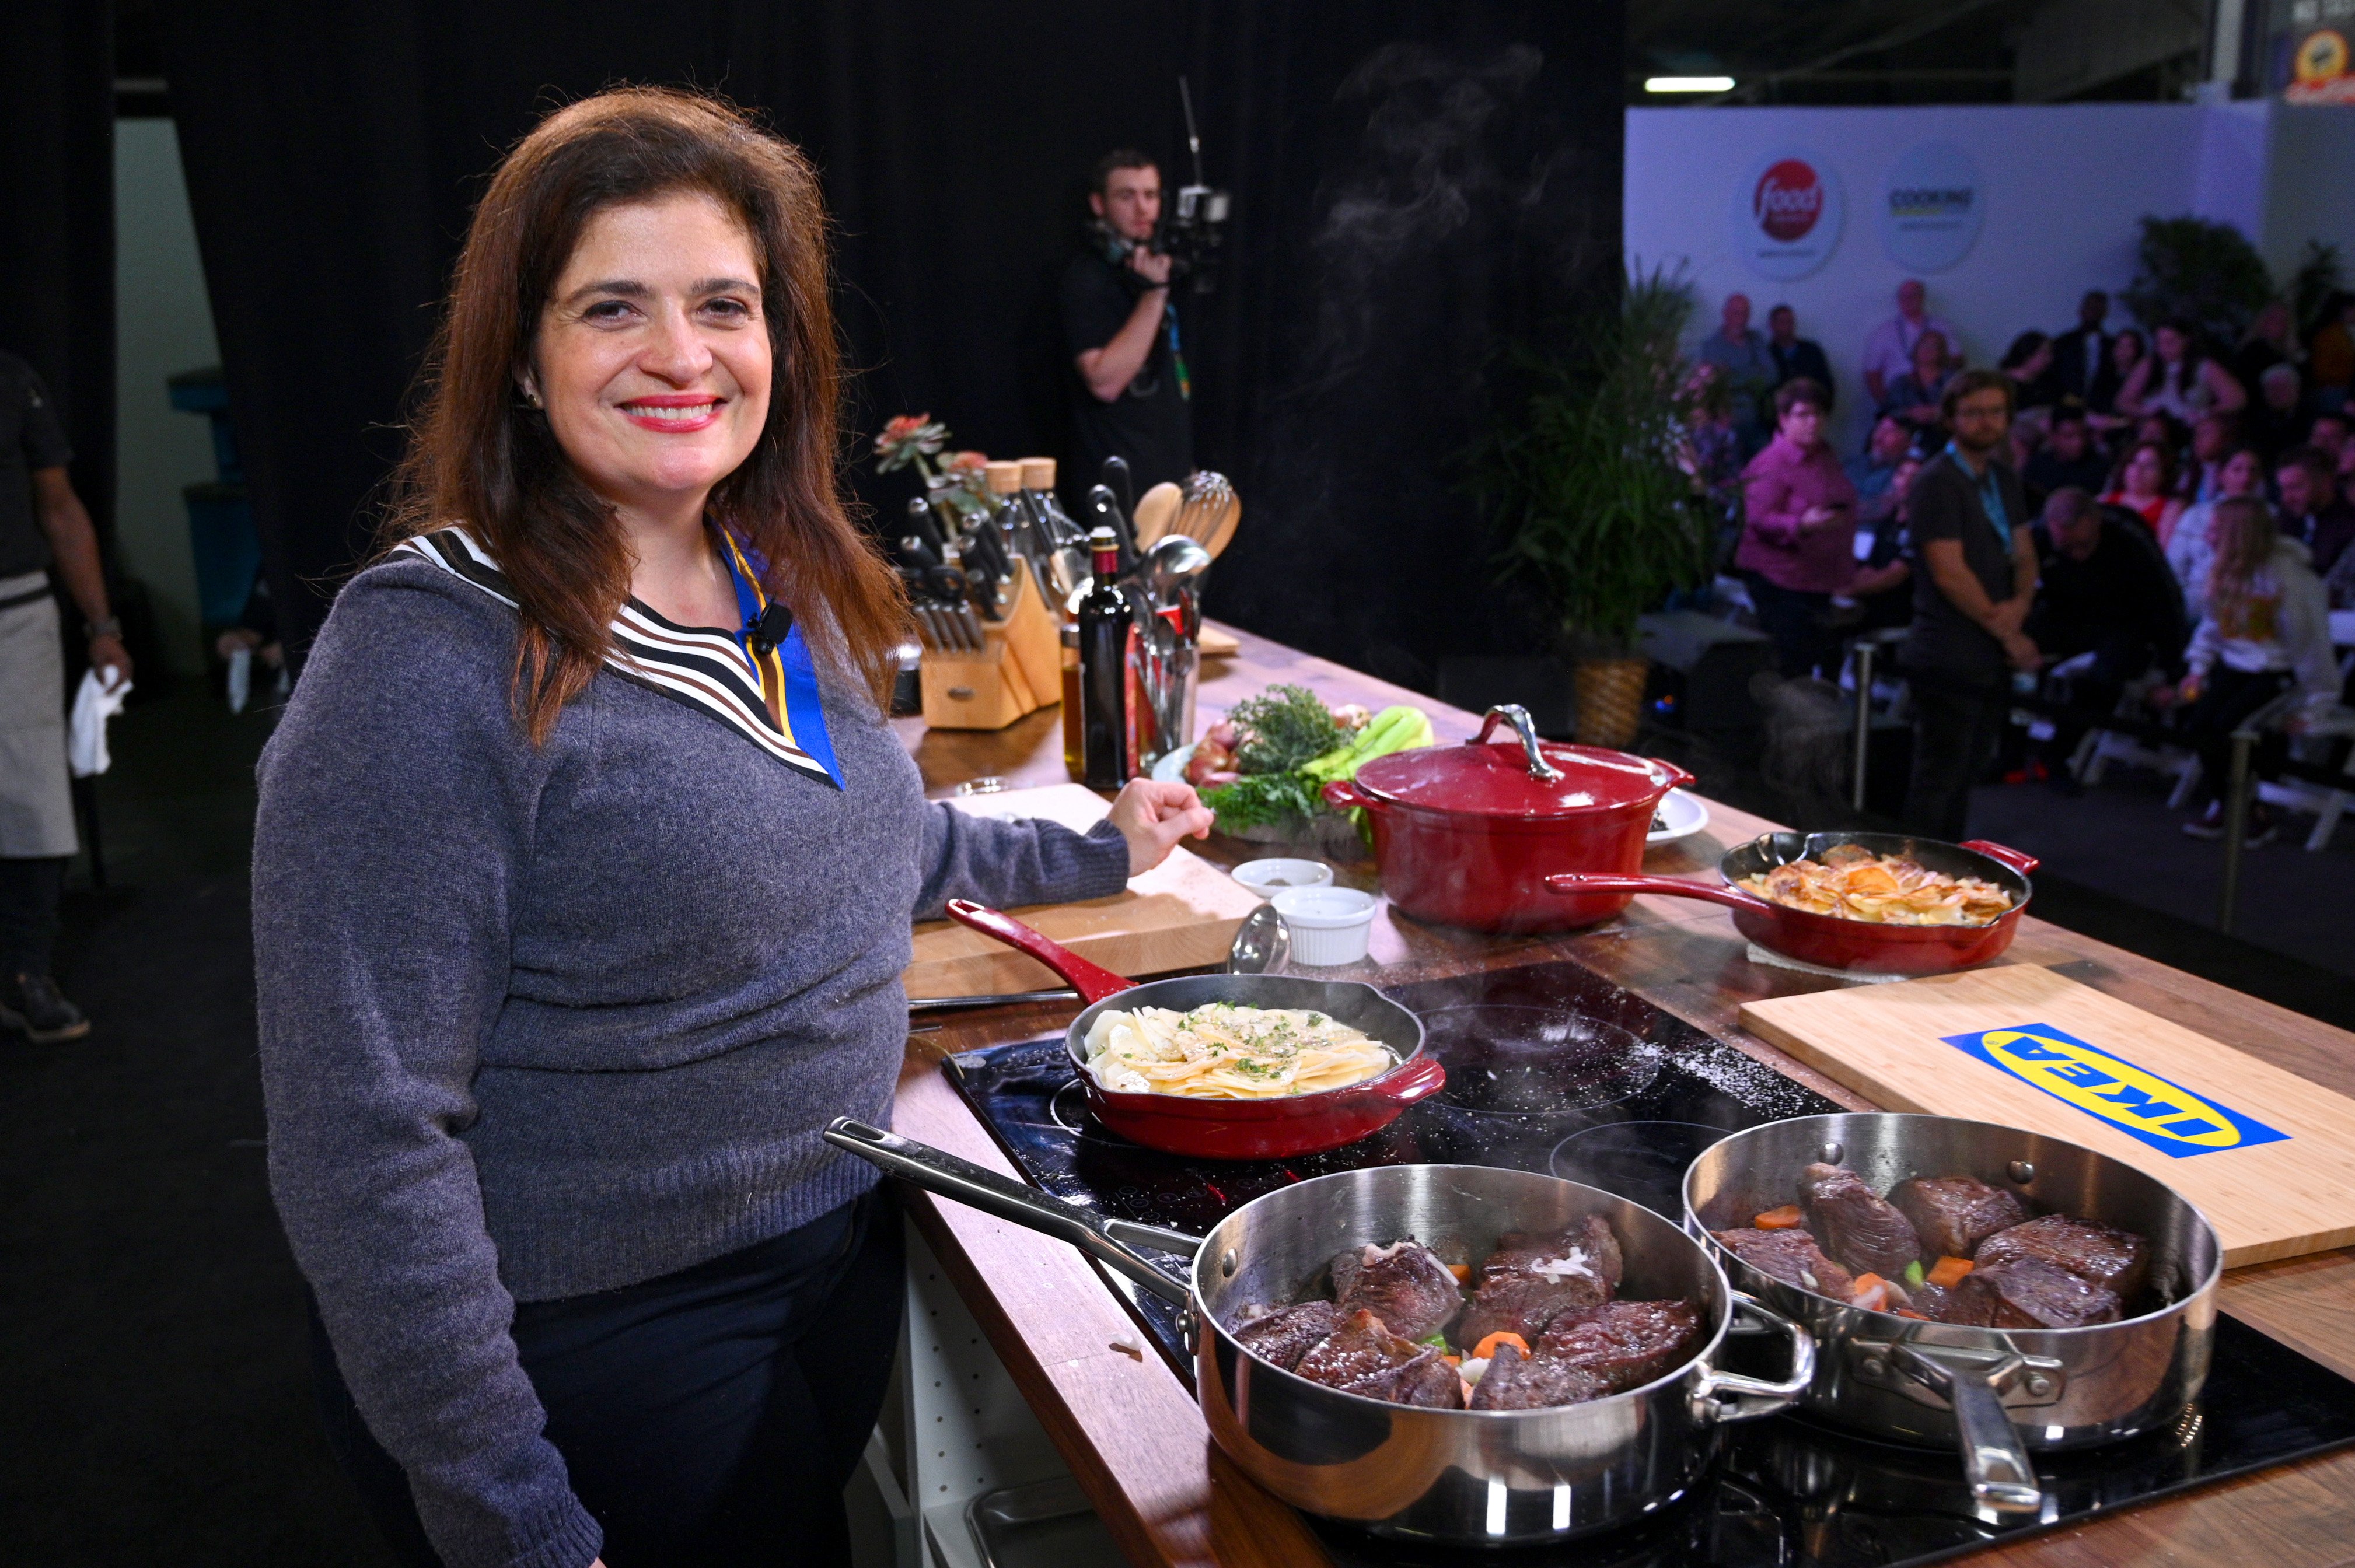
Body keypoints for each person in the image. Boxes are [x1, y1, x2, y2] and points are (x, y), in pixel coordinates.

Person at [251, 90, 1219, 1568]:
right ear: (518, 354)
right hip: (596, 1335)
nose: (682, 353)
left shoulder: (776, 585)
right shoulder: (427, 658)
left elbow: (851, 849)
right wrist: (503, 1513)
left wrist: (1100, 847)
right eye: (610, 308)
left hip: (829, 1246)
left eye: (723, 304)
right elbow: (362, 1139)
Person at [1, 350, 130, 1044]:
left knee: (31, 794)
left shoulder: (14, 379)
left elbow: (58, 506)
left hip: (15, 608)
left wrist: (102, 627)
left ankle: (27, 972)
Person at [1901, 370, 2040, 842]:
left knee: (1969, 774)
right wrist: (2011, 633)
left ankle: (1948, 878)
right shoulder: (1936, 481)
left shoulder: (2003, 478)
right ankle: (1911, 878)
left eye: (1996, 412)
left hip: (1990, 650)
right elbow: (1950, 573)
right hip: (1948, 649)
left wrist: (2020, 605)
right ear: (1951, 418)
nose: (1986, 422)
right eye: (1974, 412)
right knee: (1937, 777)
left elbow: (2024, 552)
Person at [2170, 496, 2339, 844]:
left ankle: (2253, 812)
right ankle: (2230, 804)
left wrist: (2315, 705)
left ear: (2238, 534)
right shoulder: (2224, 568)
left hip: (2275, 671)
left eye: (2216, 530)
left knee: (2230, 726)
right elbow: (2213, 626)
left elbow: (2311, 646)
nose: (2208, 537)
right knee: (2201, 725)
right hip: (2234, 667)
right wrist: (2197, 669)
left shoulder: (2288, 580)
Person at [2025, 486, 2188, 783]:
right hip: (2066, 614)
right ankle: (2010, 754)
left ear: (2097, 523)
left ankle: (2060, 753)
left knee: (2108, 673)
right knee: (2011, 654)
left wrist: (2174, 671)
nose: (2077, 556)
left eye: (2084, 546)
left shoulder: (2130, 537)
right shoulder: (2036, 536)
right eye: (2068, 548)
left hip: (2123, 622)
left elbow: (2166, 602)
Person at [1063, 149, 1192, 495]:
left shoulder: (1150, 268)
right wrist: (1154, 296)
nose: (1142, 208)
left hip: (1168, 477)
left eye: (1150, 195)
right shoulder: (1087, 278)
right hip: (1117, 488)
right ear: (1099, 204)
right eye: (1126, 196)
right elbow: (1104, 382)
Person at [1736, 378, 1857, 679]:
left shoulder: (1825, 456)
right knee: (1791, 662)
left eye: (1818, 414)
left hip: (1819, 577)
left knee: (1822, 657)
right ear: (1784, 419)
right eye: (1803, 415)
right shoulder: (1772, 463)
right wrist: (1800, 524)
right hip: (1781, 578)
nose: (1813, 423)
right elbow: (1757, 518)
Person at [2169, 443, 2270, 611]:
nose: (2246, 478)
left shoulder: (2270, 517)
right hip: (2194, 601)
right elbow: (2175, 567)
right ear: (2222, 475)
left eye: (2253, 471)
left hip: (2249, 602)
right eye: (2237, 470)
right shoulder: (2196, 515)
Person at [2119, 318, 2246, 425]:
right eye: (2160, 343)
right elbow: (2124, 401)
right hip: (2152, 427)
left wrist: (2205, 414)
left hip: (2190, 428)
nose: (2164, 349)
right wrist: (2146, 412)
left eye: (2171, 342)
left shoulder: (2204, 366)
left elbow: (2236, 399)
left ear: (2186, 340)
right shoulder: (2149, 364)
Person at [1697, 292, 1777, 452]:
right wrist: (1754, 372)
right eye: (1736, 313)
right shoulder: (1711, 346)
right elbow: (1716, 384)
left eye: (1745, 314)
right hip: (1726, 423)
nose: (1741, 319)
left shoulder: (1756, 339)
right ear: (1725, 314)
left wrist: (1733, 374)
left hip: (1759, 421)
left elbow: (1773, 375)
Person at [1861, 279, 1958, 408]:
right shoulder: (1883, 332)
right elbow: (1872, 373)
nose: (1908, 300)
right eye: (1904, 296)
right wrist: (1886, 406)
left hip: (1938, 396)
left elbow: (1956, 360)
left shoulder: (1941, 327)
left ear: (1922, 298)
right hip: (1898, 397)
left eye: (1913, 295)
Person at [2273, 445, 2355, 576]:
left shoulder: (2349, 529)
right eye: (2283, 489)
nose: (2286, 498)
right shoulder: (2287, 519)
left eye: (2295, 488)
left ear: (2326, 482)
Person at [2022, 404, 2111, 510]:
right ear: (2053, 436)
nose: (2078, 443)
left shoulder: (2099, 468)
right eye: (2070, 436)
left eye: (2082, 435)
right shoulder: (2038, 466)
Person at [2100, 440, 2186, 545]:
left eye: (2150, 465)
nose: (2138, 469)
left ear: (2164, 474)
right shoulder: (2104, 501)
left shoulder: (2171, 508)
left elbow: (2161, 553)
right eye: (2134, 462)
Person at [1877, 328, 1954, 436]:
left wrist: (1936, 412)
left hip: (1944, 434)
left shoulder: (1953, 381)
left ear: (1941, 352)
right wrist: (1910, 413)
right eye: (1924, 346)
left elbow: (1961, 409)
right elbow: (1886, 412)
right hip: (1906, 435)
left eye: (1934, 347)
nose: (1928, 350)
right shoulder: (1901, 382)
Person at [2048, 290, 2115, 406]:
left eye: (2097, 308)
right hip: (2065, 406)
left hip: (2102, 407)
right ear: (2081, 310)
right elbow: (2053, 374)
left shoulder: (2112, 346)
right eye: (2090, 307)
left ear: (2105, 312)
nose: (2093, 312)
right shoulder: (2064, 343)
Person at [1846, 414, 1914, 524]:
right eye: (1879, 428)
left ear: (1908, 441)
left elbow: (1885, 506)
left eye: (1889, 431)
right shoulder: (1853, 465)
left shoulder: (1906, 472)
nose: (1880, 436)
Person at [1764, 303, 1834, 410]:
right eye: (1782, 322)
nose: (1787, 326)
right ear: (1772, 325)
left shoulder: (1811, 350)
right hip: (1778, 415)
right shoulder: (1765, 354)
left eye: (1790, 322)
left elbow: (1826, 384)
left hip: (1812, 411)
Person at [2235, 299, 2302, 395]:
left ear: (2286, 329)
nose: (2273, 324)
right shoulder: (2251, 347)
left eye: (2280, 322)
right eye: (2271, 318)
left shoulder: (2284, 359)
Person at [2087, 328, 2145, 435]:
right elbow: (2092, 405)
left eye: (2129, 346)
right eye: (2120, 346)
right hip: (2099, 426)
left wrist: (2113, 423)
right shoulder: (2104, 376)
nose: (2123, 351)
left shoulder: (2142, 379)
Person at [2250, 362, 2307, 459]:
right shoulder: (2256, 422)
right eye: (2271, 389)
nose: (2277, 393)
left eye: (2283, 387)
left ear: (2297, 389)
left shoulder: (2311, 419)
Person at [2182, 411, 2238, 503]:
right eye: (2197, 434)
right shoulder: (2189, 474)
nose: (2199, 439)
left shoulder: (2236, 471)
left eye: (2206, 433)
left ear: (2225, 439)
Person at [2000, 331, 2056, 412]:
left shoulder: (2045, 384)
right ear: (2028, 354)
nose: (2049, 359)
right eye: (2044, 354)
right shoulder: (2002, 386)